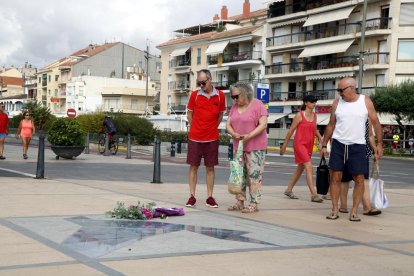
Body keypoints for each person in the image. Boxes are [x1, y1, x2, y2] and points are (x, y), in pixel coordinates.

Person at [320, 77, 383, 222]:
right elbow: (330, 125)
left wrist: (379, 144)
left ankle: (354, 211)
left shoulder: (365, 101)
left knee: (359, 179)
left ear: (351, 88)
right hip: (339, 144)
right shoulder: (337, 103)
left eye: (341, 90)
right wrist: (324, 145)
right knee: (336, 177)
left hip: (358, 145)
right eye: (338, 91)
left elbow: (376, 122)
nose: (339, 93)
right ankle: (334, 210)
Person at [185, 69, 226, 208]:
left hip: (212, 138)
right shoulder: (195, 95)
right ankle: (192, 196)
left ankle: (209, 197)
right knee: (193, 167)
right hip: (195, 138)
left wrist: (212, 127)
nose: (201, 85)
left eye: (203, 82)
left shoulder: (220, 96)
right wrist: (195, 127)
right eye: (199, 83)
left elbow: (220, 115)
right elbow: (189, 114)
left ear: (210, 80)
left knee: (210, 168)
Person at [226, 82, 268, 213]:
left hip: (255, 147)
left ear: (245, 93)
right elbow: (228, 124)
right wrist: (233, 133)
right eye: (233, 97)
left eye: (237, 96)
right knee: (239, 175)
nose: (235, 99)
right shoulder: (234, 107)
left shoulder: (258, 105)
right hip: (238, 147)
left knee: (254, 175)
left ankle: (254, 203)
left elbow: (263, 124)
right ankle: (240, 201)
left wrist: (249, 135)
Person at [280, 94, 323, 203]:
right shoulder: (299, 115)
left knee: (301, 168)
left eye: (315, 102)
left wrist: (321, 140)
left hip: (309, 144)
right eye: (312, 101)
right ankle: (314, 195)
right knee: (309, 166)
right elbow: (291, 131)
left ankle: (289, 190)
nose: (314, 103)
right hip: (299, 144)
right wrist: (284, 145)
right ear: (306, 103)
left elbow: (315, 129)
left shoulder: (315, 115)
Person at [339, 120, 381, 216]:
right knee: (344, 179)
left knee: (363, 179)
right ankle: (343, 206)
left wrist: (374, 148)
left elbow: (370, 135)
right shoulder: (345, 113)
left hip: (362, 151)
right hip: (345, 149)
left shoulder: (367, 117)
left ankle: (367, 207)